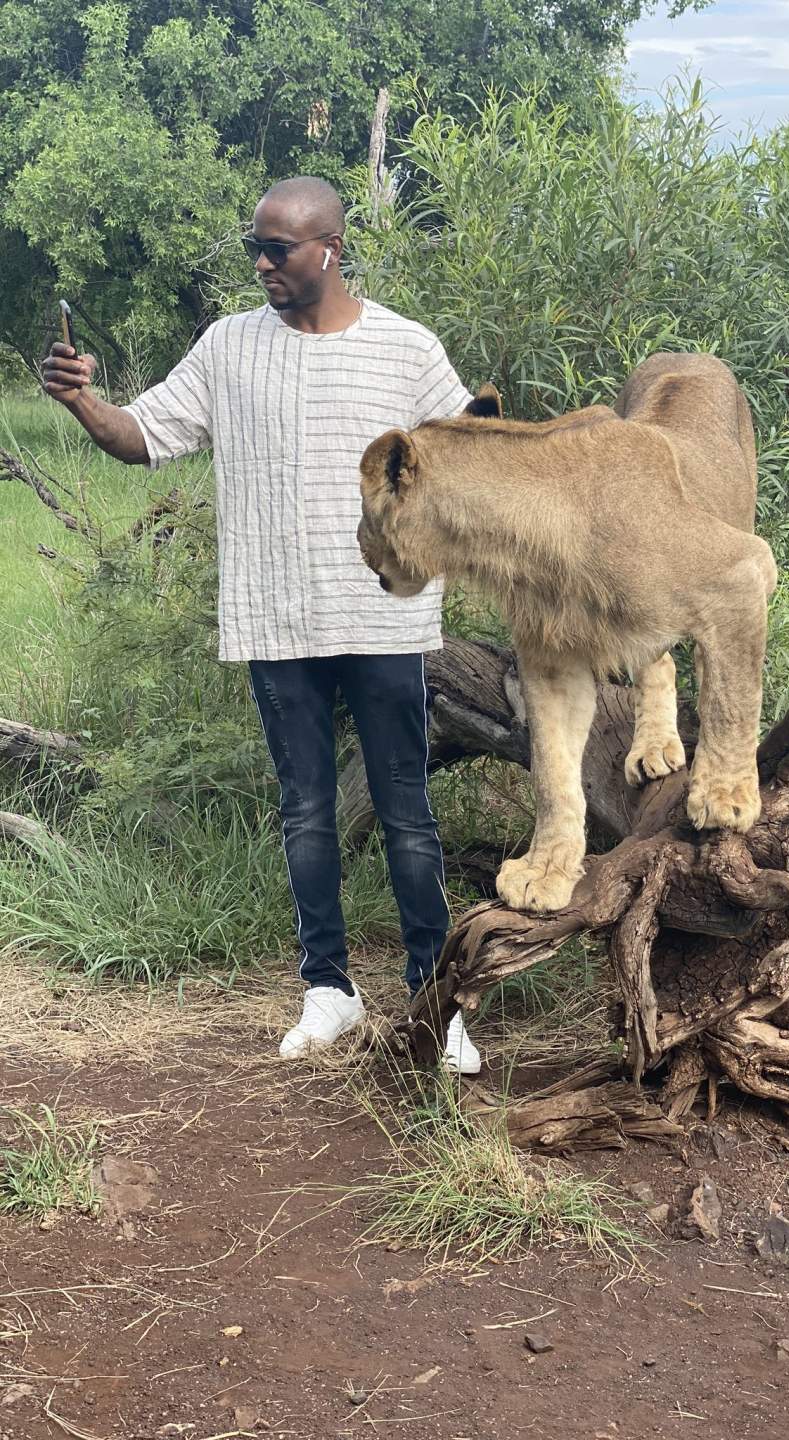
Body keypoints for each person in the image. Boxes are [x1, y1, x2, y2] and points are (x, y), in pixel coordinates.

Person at [42, 176, 481, 1073]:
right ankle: (329, 990)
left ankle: (439, 1002)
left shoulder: (406, 348)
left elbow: (467, 449)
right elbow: (144, 435)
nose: (262, 263)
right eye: (257, 245)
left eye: (278, 249)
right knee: (307, 812)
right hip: (276, 617)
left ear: (331, 249)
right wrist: (86, 402)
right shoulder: (229, 346)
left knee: (406, 813)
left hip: (385, 617)